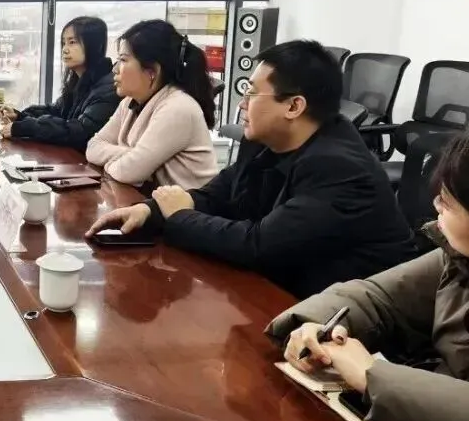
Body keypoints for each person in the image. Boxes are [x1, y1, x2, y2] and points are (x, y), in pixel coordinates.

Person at [86, 39, 417, 298]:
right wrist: (151, 211)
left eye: (252, 93)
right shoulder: (263, 140)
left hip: (356, 320)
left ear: (294, 106)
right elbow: (219, 195)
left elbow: (259, 246)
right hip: (287, 292)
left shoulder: (339, 168)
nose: (242, 104)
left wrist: (178, 216)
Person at [267, 132, 469, 421]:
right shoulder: (457, 256)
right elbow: (379, 297)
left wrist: (372, 376)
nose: (435, 207)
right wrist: (316, 326)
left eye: (446, 202)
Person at [86, 19, 218, 189]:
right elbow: (93, 147)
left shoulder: (177, 108)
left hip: (187, 205)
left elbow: (128, 171)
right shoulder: (129, 102)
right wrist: (130, 155)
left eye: (123, 60)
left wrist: (127, 162)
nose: (115, 69)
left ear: (152, 71)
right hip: (151, 199)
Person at [0, 16, 120, 151]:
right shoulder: (79, 81)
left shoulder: (108, 89)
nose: (65, 49)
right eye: (64, 43)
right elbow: (56, 111)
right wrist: (20, 116)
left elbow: (81, 131)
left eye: (72, 42)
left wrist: (26, 127)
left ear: (94, 46)